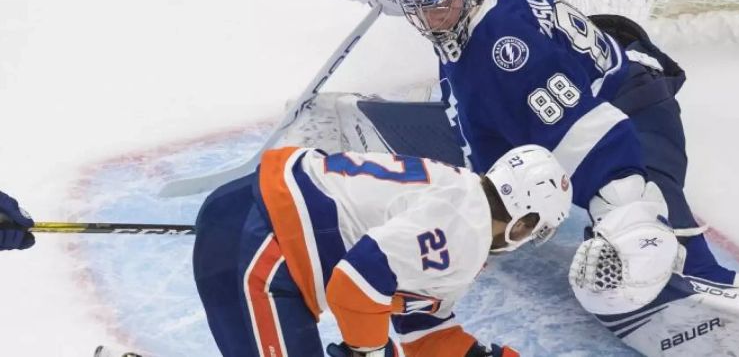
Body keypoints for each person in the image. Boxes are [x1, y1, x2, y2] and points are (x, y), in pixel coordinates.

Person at [329, 0, 739, 357]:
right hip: (594, 78)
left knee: (665, 241)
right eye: (424, 10)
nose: (435, 20)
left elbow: (588, 133)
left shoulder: (504, 51)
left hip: (630, 107)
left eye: (443, 6)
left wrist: (627, 213)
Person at [192, 144, 571, 357]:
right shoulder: (465, 229)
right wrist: (369, 353)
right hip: (258, 242)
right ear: (526, 221)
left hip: (253, 225)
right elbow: (356, 284)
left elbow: (423, 330)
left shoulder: (463, 202)